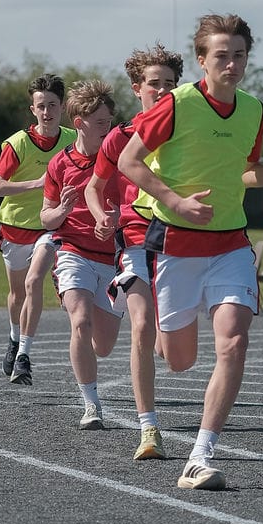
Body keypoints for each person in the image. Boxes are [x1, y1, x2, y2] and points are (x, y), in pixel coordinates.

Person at [118, 13, 263, 490]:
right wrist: (176, 200)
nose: (232, 64)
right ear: (202, 60)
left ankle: (199, 456)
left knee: (234, 342)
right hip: (177, 245)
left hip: (230, 245)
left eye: (239, 55)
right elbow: (128, 160)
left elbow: (247, 172)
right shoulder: (176, 104)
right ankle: (165, 335)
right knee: (179, 360)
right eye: (222, 55)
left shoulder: (253, 110)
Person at [85, 43, 183, 461]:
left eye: (170, 83)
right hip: (136, 237)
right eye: (154, 83)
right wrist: (101, 216)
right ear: (136, 88)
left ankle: (166, 340)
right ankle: (149, 429)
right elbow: (93, 187)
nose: (162, 90)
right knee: (141, 326)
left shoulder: (187, 134)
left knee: (172, 352)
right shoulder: (120, 138)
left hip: (180, 242)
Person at [40, 80, 122, 427]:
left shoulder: (121, 159)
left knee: (103, 345)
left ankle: (89, 359)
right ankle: (91, 405)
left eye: (110, 121)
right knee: (81, 322)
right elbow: (45, 218)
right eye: (101, 122)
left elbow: (137, 205)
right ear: (79, 123)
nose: (108, 128)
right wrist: (61, 210)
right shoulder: (60, 164)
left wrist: (116, 220)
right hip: (74, 252)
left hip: (113, 259)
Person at [0, 74, 77, 383]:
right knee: (17, 294)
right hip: (15, 226)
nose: (47, 112)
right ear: (33, 109)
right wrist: (38, 183)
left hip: (49, 225)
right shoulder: (19, 144)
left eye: (52, 105)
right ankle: (14, 339)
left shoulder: (72, 140)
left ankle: (24, 356)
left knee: (33, 283)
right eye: (41, 106)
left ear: (62, 107)